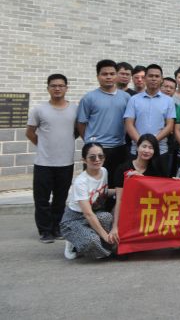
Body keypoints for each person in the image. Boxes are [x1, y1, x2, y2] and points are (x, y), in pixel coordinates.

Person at [26, 73, 78, 243]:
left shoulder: (74, 109)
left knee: (60, 199)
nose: (57, 88)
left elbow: (76, 131)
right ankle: (45, 231)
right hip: (44, 163)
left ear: (66, 88)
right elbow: (30, 132)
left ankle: (57, 228)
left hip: (66, 162)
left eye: (61, 85)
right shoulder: (39, 110)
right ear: (48, 88)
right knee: (41, 199)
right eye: (53, 86)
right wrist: (43, 145)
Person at [77, 59, 130, 183]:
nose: (108, 77)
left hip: (119, 147)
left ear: (116, 75)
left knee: (116, 184)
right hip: (96, 149)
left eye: (112, 74)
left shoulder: (126, 97)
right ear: (98, 76)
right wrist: (90, 141)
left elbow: (129, 121)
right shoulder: (89, 98)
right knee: (93, 185)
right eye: (104, 74)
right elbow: (81, 123)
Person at [60, 143, 116, 260]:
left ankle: (87, 237)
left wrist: (120, 191)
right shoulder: (80, 182)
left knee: (106, 217)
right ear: (84, 160)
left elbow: (102, 192)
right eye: (92, 157)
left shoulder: (104, 171)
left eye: (101, 156)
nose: (97, 160)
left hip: (93, 214)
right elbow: (88, 214)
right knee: (92, 241)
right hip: (74, 219)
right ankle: (74, 243)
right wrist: (105, 236)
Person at [109, 134, 165, 248]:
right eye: (144, 146)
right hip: (126, 210)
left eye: (150, 148)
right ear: (137, 147)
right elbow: (120, 200)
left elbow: (162, 192)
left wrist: (142, 179)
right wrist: (115, 227)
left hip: (146, 211)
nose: (146, 150)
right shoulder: (123, 168)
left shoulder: (156, 169)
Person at [123, 63, 175, 160]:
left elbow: (169, 126)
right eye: (150, 76)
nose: (154, 79)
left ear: (161, 79)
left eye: (157, 76)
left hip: (160, 150)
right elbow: (129, 124)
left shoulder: (169, 101)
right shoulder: (134, 99)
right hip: (137, 149)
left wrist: (152, 143)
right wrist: (142, 143)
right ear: (145, 78)